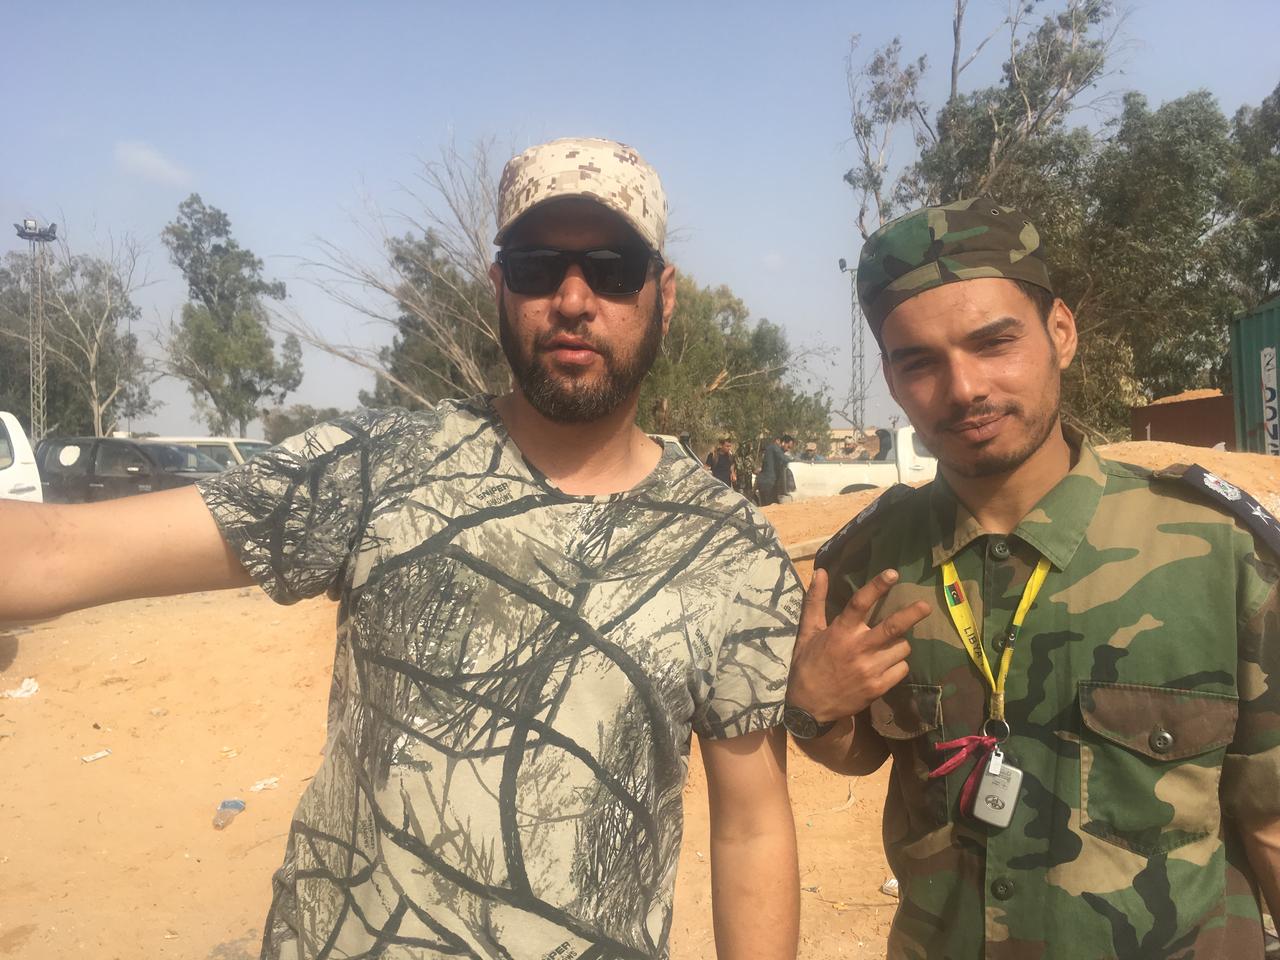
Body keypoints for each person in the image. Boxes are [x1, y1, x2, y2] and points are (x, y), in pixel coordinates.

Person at [0, 138, 801, 960]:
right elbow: (60, 547)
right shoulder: (377, 471)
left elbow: (750, 828)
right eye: (534, 265)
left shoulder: (730, 554)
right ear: (498, 288)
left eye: (612, 267)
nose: (572, 298)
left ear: (662, 295)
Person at [782, 197, 1280, 958]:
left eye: (993, 342)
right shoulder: (869, 564)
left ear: (1061, 333)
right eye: (920, 361)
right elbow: (865, 755)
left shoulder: (1219, 555)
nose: (965, 388)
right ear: (889, 375)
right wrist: (814, 712)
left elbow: (1271, 822)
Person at [757, 434, 794, 506]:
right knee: (768, 507)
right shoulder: (774, 447)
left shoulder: (775, 450)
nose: (788, 449)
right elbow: (785, 459)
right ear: (783, 443)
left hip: (771, 484)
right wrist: (795, 460)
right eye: (788, 446)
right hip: (767, 483)